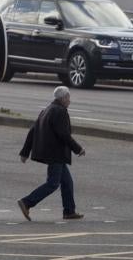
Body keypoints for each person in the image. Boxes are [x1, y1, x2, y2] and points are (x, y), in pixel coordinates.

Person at [17, 86, 85, 221]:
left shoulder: (47, 109)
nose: (69, 101)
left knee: (67, 182)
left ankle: (69, 211)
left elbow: (32, 131)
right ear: (63, 98)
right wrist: (78, 149)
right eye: (68, 98)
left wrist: (25, 152)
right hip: (56, 153)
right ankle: (27, 202)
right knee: (53, 183)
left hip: (51, 152)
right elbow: (64, 135)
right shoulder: (60, 111)